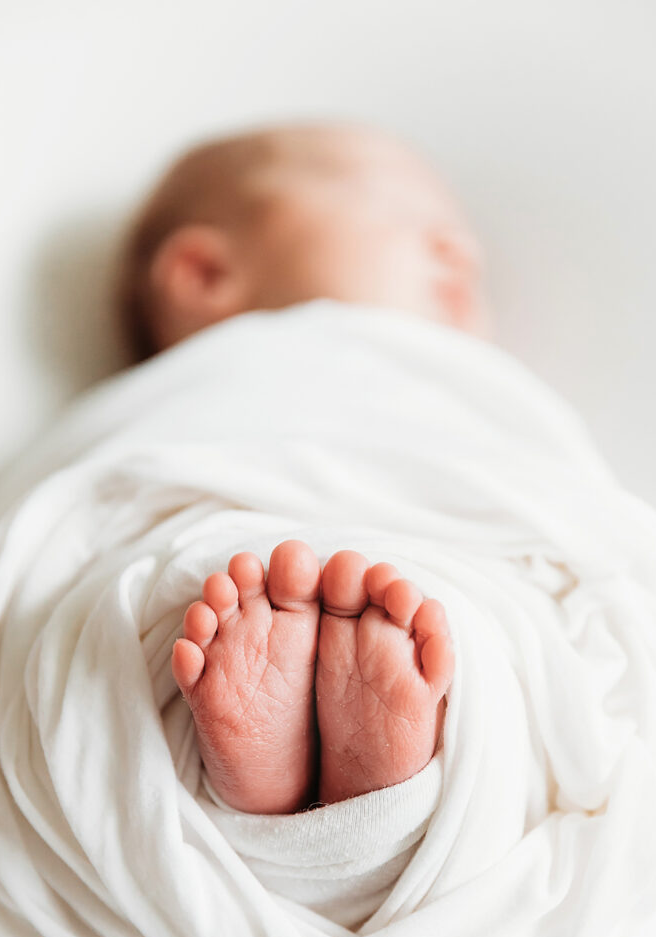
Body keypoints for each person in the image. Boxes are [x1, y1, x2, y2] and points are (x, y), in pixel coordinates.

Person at [117, 121, 485, 815]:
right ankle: (373, 813)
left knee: (516, 613)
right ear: (205, 273)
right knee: (483, 639)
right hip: (349, 546)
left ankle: (274, 798)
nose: (458, 249)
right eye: (400, 212)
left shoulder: (470, 408)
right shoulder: (185, 401)